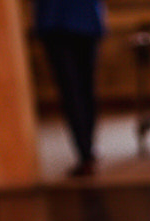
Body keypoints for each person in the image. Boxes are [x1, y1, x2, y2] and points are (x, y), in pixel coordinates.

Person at [35, 0, 104, 177]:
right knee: (82, 89)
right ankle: (87, 149)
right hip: (81, 19)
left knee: (74, 91)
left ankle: (86, 152)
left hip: (60, 21)